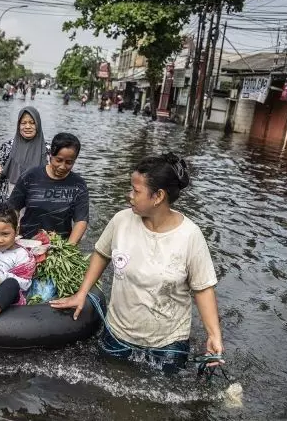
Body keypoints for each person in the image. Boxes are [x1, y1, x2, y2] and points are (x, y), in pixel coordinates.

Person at [51, 153, 222, 374]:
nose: (129, 195)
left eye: (136, 191)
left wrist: (214, 335)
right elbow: (101, 254)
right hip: (118, 335)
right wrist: (81, 293)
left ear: (158, 196)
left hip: (168, 343)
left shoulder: (190, 236)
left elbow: (203, 288)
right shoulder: (121, 221)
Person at [7, 133, 88, 244]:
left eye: (69, 162)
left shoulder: (78, 184)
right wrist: (12, 234)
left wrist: (69, 248)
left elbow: (81, 220)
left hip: (60, 245)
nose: (63, 166)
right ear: (50, 155)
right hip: (27, 242)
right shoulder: (30, 176)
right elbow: (13, 208)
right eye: (58, 160)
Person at [0, 106, 50, 203]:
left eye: (32, 123)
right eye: (23, 123)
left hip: (36, 207)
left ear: (38, 124)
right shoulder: (7, 147)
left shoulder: (48, 151)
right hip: (7, 207)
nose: (28, 126)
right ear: (18, 125)